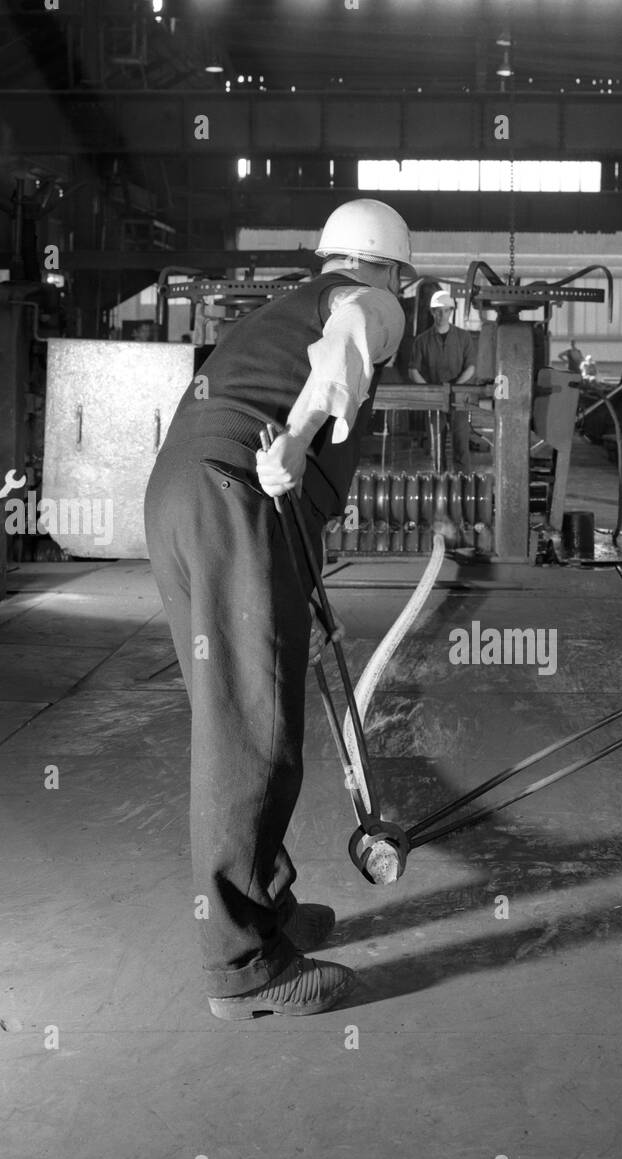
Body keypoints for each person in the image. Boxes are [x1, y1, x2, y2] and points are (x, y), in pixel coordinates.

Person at [144, 198, 412, 1018]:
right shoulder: (367, 299)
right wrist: (295, 439)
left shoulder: (281, 309)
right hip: (237, 495)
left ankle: (268, 904)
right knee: (254, 731)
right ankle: (244, 967)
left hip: (183, 492)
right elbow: (356, 338)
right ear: (391, 269)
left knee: (235, 714)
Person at [409, 288, 476, 468]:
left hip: (459, 400)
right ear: (432, 312)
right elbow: (413, 370)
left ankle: (463, 488)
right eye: (438, 311)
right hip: (434, 401)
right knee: (436, 448)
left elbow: (471, 367)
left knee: (461, 445)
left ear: (451, 312)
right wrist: (432, 391)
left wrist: (454, 388)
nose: (442, 315)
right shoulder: (421, 341)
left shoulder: (464, 337)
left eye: (446, 311)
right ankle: (440, 489)